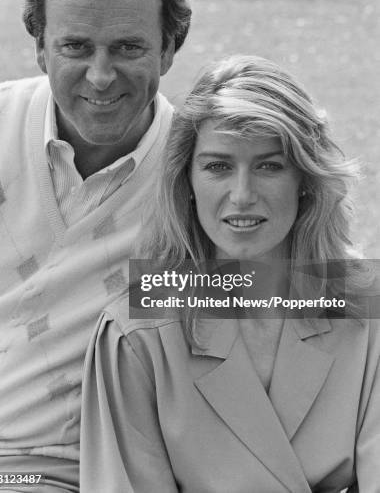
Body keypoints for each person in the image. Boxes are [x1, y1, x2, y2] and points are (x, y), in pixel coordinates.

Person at [80, 55, 380, 492]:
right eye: (218, 166)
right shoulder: (136, 333)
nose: (242, 196)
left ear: (306, 180)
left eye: (269, 166)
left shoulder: (367, 310)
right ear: (187, 183)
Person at [0, 0, 191, 492]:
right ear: (40, 47)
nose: (100, 77)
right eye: (76, 47)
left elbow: (326, 293)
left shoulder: (204, 172)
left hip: (56, 471)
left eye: (128, 47)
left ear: (169, 48)